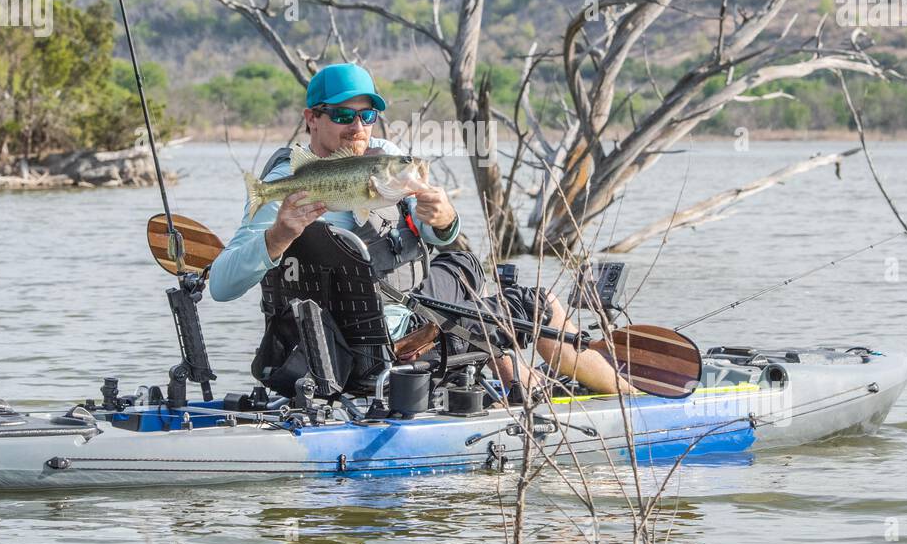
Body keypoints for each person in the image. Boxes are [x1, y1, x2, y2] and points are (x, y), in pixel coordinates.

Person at [209, 63, 637, 397]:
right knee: (535, 304)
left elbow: (430, 235)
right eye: (342, 115)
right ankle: (627, 398)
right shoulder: (291, 188)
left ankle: (516, 374)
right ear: (311, 120)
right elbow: (222, 285)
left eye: (368, 115)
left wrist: (444, 219)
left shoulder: (382, 159)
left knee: (461, 259)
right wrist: (278, 237)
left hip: (382, 319)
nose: (358, 127)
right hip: (379, 339)